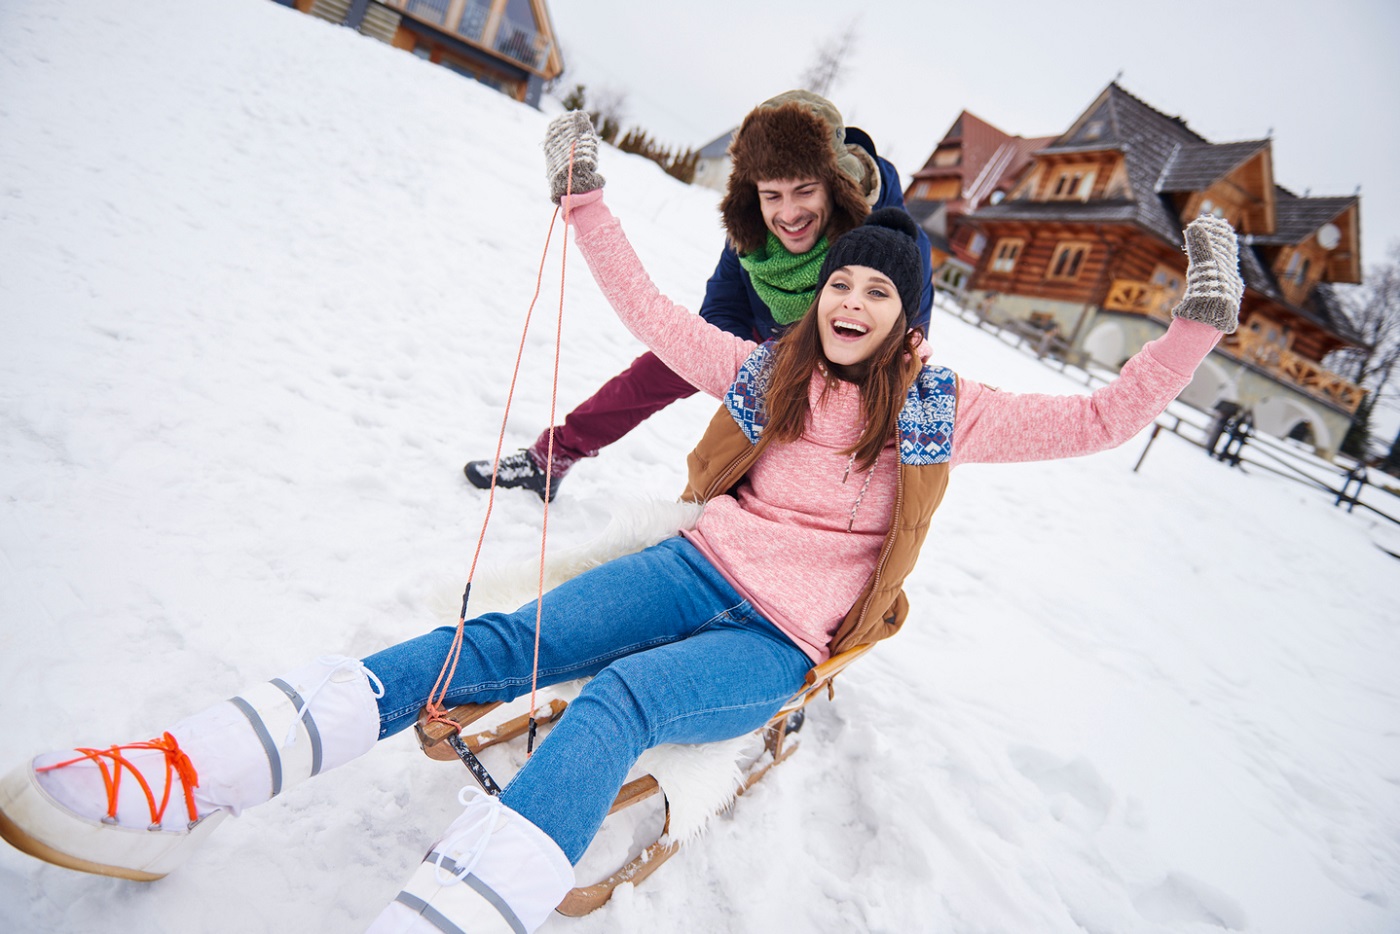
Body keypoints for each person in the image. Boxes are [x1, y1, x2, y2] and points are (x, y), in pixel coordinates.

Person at [0, 112, 1244, 933]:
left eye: (880, 287)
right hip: (692, 565)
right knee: (491, 646)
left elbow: (1099, 416)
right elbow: (655, 318)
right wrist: (587, 202)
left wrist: (1193, 321)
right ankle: (185, 773)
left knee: (619, 704)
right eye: (843, 284)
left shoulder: (934, 410)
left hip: (770, 639)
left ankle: (458, 911)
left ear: (907, 312)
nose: (855, 298)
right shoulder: (772, 371)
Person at [463, 89, 935, 502]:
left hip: (842, 364)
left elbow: (900, 348)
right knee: (663, 366)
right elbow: (719, 316)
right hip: (757, 336)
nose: (788, 213)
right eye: (772, 194)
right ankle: (553, 457)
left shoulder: (893, 243)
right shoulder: (754, 222)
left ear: (833, 182)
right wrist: (745, 368)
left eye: (804, 191)